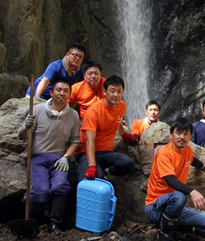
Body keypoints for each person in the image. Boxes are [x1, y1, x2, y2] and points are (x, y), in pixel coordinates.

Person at [145, 117, 205, 241]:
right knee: (180, 196)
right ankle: (164, 231)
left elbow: (193, 160)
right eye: (178, 133)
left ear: (190, 136)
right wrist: (192, 192)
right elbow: (170, 180)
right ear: (171, 135)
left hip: (175, 209)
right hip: (154, 207)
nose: (182, 137)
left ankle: (174, 226)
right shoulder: (164, 153)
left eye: (186, 134)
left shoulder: (187, 151)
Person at [19, 78, 81, 231]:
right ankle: (36, 221)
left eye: (66, 91)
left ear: (69, 95)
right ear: (51, 92)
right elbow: (22, 135)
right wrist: (26, 126)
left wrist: (66, 157)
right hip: (38, 157)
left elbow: (75, 141)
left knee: (61, 186)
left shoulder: (73, 115)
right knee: (41, 193)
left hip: (58, 158)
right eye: (58, 90)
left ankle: (55, 222)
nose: (62, 93)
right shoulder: (38, 109)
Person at [77, 75, 138, 182]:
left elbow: (117, 119)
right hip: (87, 152)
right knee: (94, 178)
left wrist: (123, 133)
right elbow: (89, 141)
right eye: (112, 91)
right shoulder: (93, 111)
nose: (116, 95)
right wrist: (91, 166)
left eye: (119, 91)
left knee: (127, 163)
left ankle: (108, 173)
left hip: (106, 152)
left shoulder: (121, 106)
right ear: (104, 92)